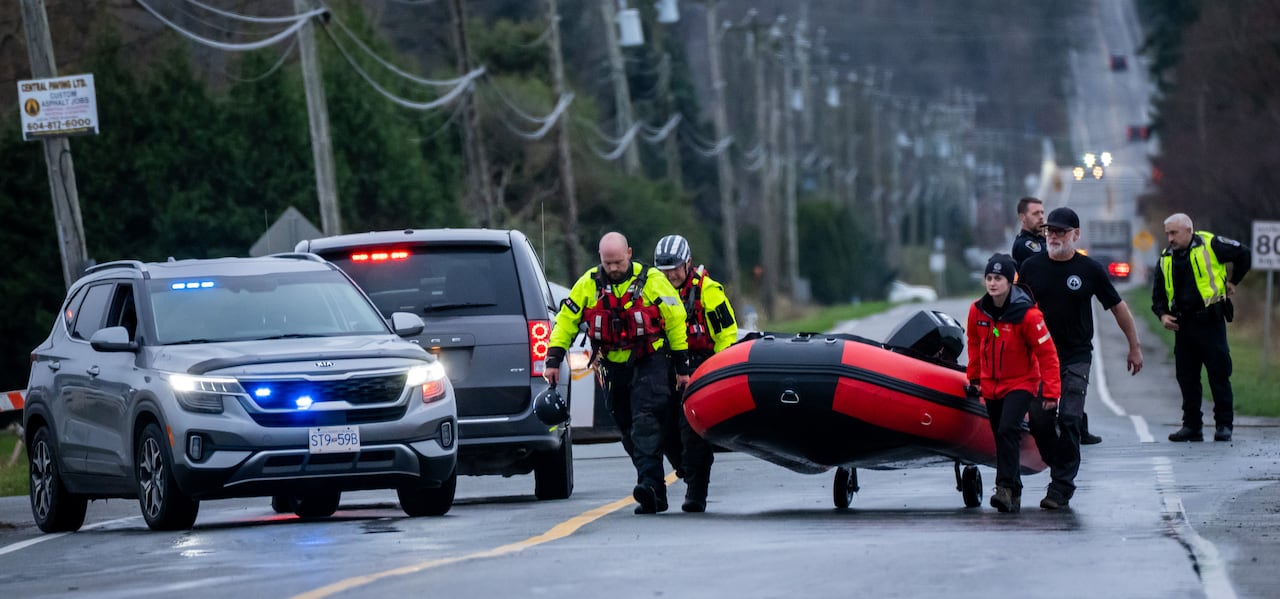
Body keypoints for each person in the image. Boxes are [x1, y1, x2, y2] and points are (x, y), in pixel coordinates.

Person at [544, 232, 692, 514]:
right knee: (626, 428)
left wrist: (682, 367)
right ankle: (656, 490)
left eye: (617, 262)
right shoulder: (588, 285)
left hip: (650, 360)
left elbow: (675, 321)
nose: (613, 268)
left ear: (629, 253)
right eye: (607, 262)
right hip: (611, 366)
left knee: (645, 421)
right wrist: (554, 359)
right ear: (600, 259)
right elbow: (565, 322)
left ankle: (649, 486)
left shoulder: (653, 281)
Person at [1019, 207, 1144, 510]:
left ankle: (1061, 487)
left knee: (1071, 418)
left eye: (1061, 232)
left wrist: (1134, 346)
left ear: (1076, 235)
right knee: (1039, 418)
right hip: (1039, 357)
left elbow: (1118, 307)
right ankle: (1059, 462)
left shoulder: (1089, 270)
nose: (1054, 237)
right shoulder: (1031, 267)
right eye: (1050, 231)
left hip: (1076, 355)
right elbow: (1014, 311)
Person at [966, 253, 1061, 513]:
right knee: (1000, 435)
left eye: (998, 278)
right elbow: (974, 344)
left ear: (1010, 282)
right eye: (989, 278)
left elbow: (1048, 354)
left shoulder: (1027, 315)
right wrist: (974, 378)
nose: (993, 283)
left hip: (1021, 383)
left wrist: (1052, 391)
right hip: (991, 385)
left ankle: (1005, 488)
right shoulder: (978, 310)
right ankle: (1013, 493)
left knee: (1008, 429)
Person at [653, 234, 739, 513]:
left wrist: (719, 371)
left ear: (688, 263)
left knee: (692, 431)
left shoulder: (709, 291)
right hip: (664, 365)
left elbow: (726, 333)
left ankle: (696, 490)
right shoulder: (651, 289)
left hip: (701, 366)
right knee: (662, 428)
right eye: (664, 269)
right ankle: (686, 470)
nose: (670, 274)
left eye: (675, 267)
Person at [1153, 213, 1251, 442]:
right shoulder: (1166, 257)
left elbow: (1244, 254)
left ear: (1188, 230)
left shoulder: (1211, 244)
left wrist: (1233, 282)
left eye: (1174, 233)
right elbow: (1157, 295)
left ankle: (1224, 425)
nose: (1170, 238)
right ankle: (1192, 426)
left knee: (1219, 375)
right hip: (1183, 326)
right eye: (1167, 233)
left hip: (1210, 322)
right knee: (1186, 378)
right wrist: (1162, 316)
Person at [1012, 196, 1102, 445]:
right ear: (1022, 217)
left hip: (1073, 342)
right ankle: (1049, 433)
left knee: (1072, 390)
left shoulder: (1044, 244)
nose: (1041, 218)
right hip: (1042, 329)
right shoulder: (1026, 247)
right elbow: (1052, 255)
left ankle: (1075, 427)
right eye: (1036, 214)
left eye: (1043, 213)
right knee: (1045, 394)